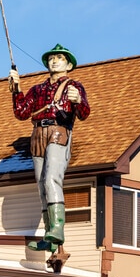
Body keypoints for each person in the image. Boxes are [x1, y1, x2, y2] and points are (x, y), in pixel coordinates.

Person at [8, 44, 90, 252]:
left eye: (60, 58)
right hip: (37, 134)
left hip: (58, 131)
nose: (54, 61)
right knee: (41, 183)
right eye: (51, 58)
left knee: (53, 178)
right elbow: (21, 112)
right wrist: (16, 89)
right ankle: (49, 234)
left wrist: (78, 100)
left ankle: (58, 229)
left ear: (68, 64)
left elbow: (84, 113)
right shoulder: (38, 89)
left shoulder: (73, 86)